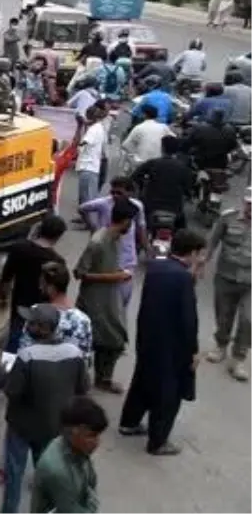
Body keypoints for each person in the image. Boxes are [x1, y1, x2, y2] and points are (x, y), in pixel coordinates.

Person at [117, 228, 204, 456]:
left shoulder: (156, 267)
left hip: (148, 337)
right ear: (192, 252)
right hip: (171, 346)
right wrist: (193, 351)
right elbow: (188, 319)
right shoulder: (183, 277)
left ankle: (129, 422)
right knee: (168, 393)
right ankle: (158, 441)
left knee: (142, 381)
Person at [0, 304, 90, 514]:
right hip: (54, 427)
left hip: (21, 428)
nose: (27, 325)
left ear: (44, 328)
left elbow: (13, 392)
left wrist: (3, 377)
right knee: (47, 474)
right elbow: (83, 389)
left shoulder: (27, 355)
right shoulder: (74, 353)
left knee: (14, 473)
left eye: (32, 323)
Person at [0, 214, 66, 409]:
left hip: (20, 307)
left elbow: (6, 277)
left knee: (11, 348)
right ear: (58, 236)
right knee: (39, 349)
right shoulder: (56, 261)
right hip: (43, 312)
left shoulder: (20, 248)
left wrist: (3, 295)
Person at [73, 198, 137, 393]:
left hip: (110, 300)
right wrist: (114, 276)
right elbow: (79, 273)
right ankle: (79, 382)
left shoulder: (116, 239)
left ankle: (103, 378)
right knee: (93, 343)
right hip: (93, 302)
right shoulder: (98, 242)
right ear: (126, 221)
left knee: (114, 342)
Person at [203, 187, 252, 382]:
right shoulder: (227, 218)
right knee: (224, 315)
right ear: (244, 202)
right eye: (249, 203)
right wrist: (201, 263)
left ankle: (239, 357)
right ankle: (221, 345)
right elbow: (212, 242)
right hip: (226, 275)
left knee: (249, 319)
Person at [29, 396, 107, 514]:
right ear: (72, 433)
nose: (97, 443)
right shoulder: (56, 469)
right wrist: (92, 504)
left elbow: (91, 481)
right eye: (91, 436)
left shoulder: (76, 449)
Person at [79, 176, 146, 309]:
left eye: (119, 193)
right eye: (113, 192)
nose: (115, 196)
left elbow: (141, 227)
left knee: (121, 301)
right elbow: (82, 208)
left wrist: (147, 248)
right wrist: (92, 227)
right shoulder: (98, 240)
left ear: (129, 193)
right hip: (106, 257)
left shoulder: (136, 207)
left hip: (126, 255)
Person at [131, 136, 194, 231]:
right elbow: (188, 188)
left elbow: (135, 177)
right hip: (175, 209)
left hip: (151, 206)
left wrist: (142, 186)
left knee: (138, 227)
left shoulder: (153, 163)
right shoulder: (183, 168)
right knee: (182, 232)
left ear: (162, 148)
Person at [74, 106, 107, 217]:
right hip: (91, 166)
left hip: (88, 166)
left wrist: (78, 143)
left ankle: (89, 221)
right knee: (87, 196)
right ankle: (85, 219)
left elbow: (83, 144)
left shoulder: (93, 130)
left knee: (87, 197)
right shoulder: (98, 128)